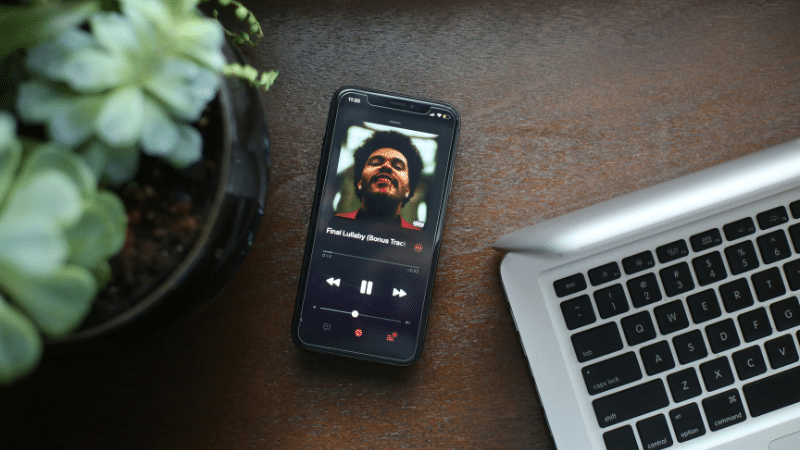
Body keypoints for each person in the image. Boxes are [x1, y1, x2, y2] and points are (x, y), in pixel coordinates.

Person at [334, 131, 423, 230]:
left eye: (398, 166)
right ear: (360, 182)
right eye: (375, 163)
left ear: (408, 189)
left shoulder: (416, 239)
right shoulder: (335, 225)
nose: (386, 166)